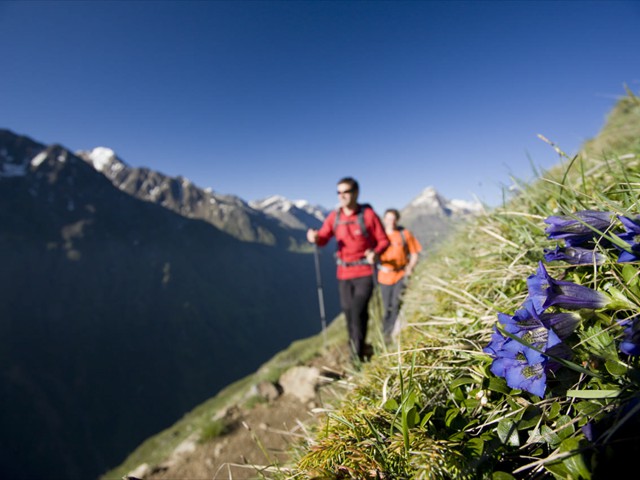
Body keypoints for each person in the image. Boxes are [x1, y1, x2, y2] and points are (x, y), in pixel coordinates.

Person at [307, 177, 389, 362]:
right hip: (344, 273)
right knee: (348, 312)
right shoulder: (335, 217)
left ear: (356, 193)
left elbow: (383, 240)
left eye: (346, 192)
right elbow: (323, 238)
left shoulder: (368, 215)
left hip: (365, 272)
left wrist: (375, 253)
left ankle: (356, 357)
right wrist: (315, 237)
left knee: (358, 311)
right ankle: (356, 346)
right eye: (339, 192)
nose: (342, 196)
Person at [377, 208, 422, 343]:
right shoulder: (378, 236)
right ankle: (385, 333)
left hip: (400, 274)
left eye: (393, 219)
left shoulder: (404, 234)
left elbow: (415, 253)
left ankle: (392, 333)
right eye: (388, 218)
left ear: (397, 220)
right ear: (384, 220)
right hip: (384, 276)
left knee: (396, 303)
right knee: (387, 307)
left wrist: (410, 268)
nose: (391, 221)